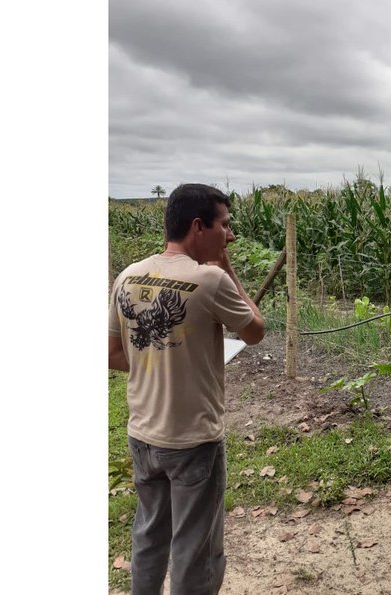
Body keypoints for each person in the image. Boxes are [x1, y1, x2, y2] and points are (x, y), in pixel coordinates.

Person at [108, 183, 265, 593]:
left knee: (149, 537)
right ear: (199, 226)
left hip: (143, 435)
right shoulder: (210, 279)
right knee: (196, 550)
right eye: (224, 225)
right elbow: (254, 331)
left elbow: (112, 354)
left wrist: (158, 360)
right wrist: (227, 267)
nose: (229, 235)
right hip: (193, 440)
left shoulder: (127, 277)